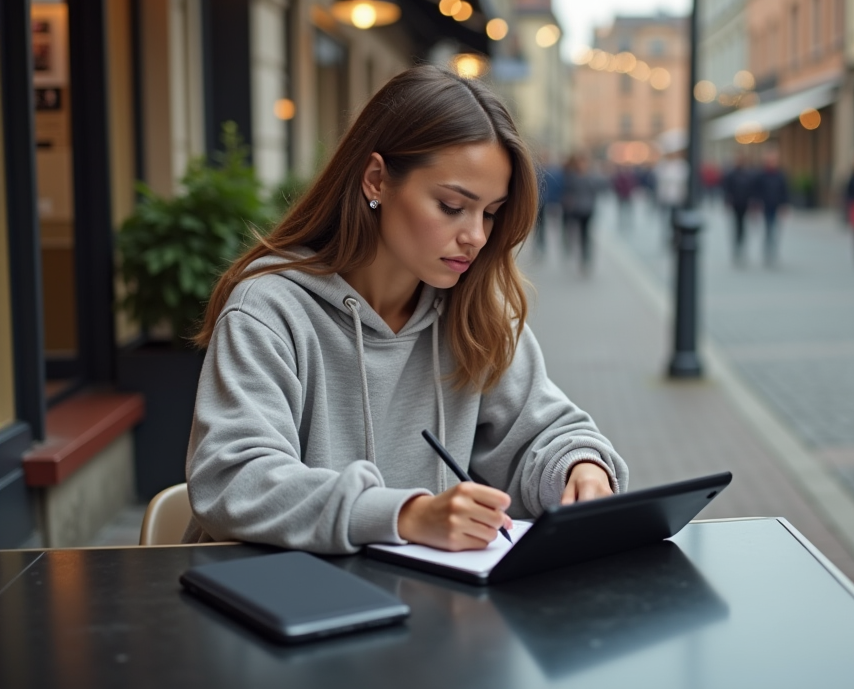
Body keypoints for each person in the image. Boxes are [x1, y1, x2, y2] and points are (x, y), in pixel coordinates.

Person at [183, 66, 628, 554]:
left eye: (491, 212)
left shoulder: (475, 310)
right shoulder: (270, 309)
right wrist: (404, 514)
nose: (476, 236)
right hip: (277, 603)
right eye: (452, 205)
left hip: (426, 606)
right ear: (376, 180)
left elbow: (541, 433)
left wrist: (580, 468)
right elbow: (234, 479)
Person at [561, 153, 600, 272]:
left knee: (586, 235)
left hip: (588, 209)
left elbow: (596, 191)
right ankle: (579, 254)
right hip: (577, 209)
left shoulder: (591, 177)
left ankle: (585, 258)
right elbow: (568, 191)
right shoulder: (573, 177)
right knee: (577, 234)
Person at [754, 147, 789, 266]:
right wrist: (757, 203)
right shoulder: (762, 175)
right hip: (766, 205)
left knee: (774, 229)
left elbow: (784, 191)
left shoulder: (780, 174)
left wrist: (784, 205)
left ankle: (772, 250)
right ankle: (768, 251)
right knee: (768, 228)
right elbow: (757, 190)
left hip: (776, 205)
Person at [722, 152, 756, 264]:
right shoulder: (731, 174)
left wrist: (753, 202)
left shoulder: (748, 174)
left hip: (745, 203)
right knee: (737, 225)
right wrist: (727, 201)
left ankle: (741, 246)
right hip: (735, 204)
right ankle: (736, 247)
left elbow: (752, 189)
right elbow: (727, 188)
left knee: (743, 226)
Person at [654, 152, 689, 242]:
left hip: (677, 198)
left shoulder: (681, 165)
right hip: (665, 198)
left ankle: (675, 236)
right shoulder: (663, 166)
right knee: (664, 219)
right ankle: (666, 236)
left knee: (675, 219)